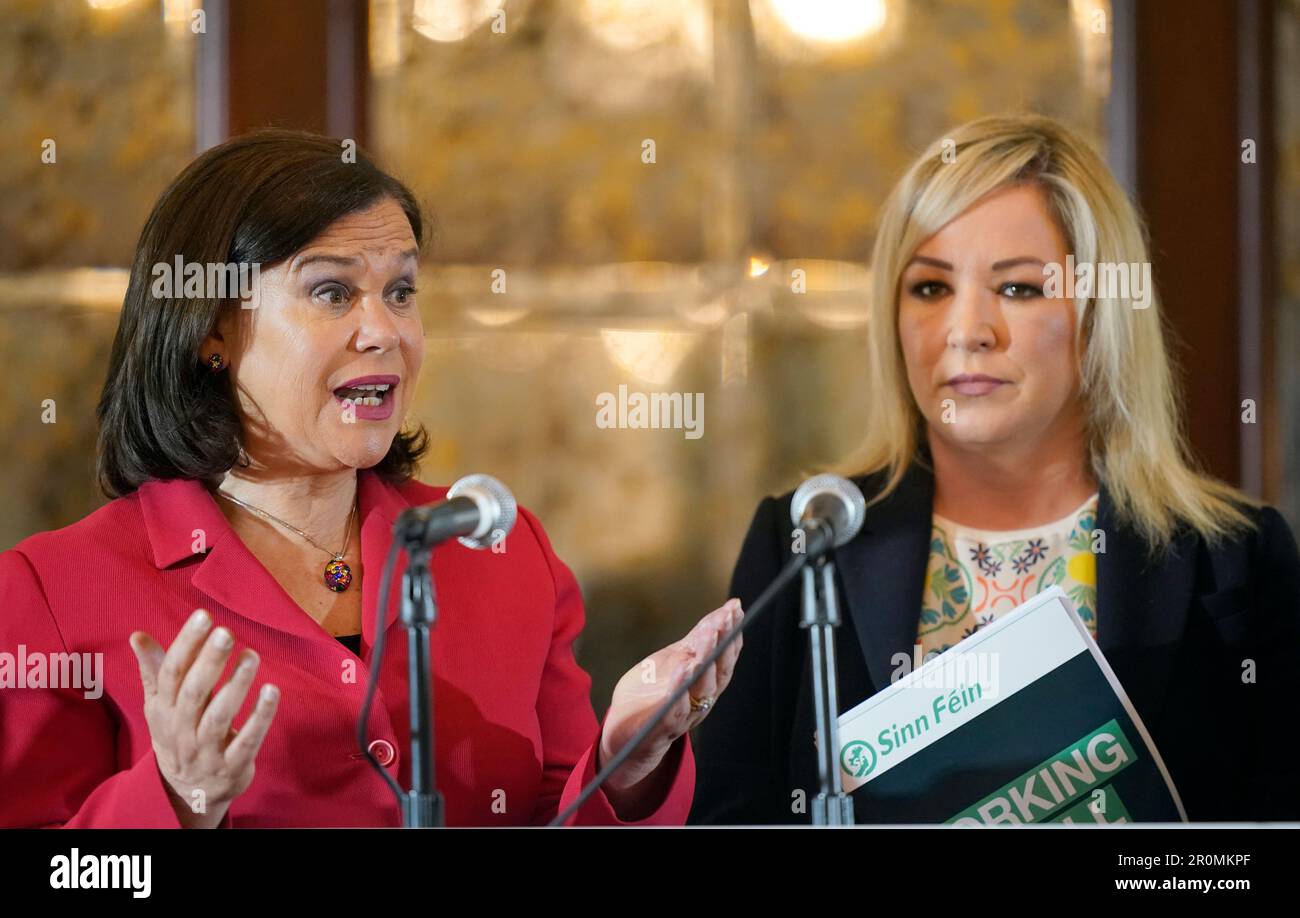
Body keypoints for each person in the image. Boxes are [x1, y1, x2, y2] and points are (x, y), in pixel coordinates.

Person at [0, 129, 743, 828]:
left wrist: (628, 759)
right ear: (212, 329)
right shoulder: (52, 593)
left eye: (401, 292)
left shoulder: (502, 550)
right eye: (332, 292)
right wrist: (173, 800)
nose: (384, 331)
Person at [690, 114, 1300, 824]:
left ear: (1099, 313)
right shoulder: (803, 540)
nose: (967, 329)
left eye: (1017, 288)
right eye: (929, 288)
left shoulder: (1236, 560)